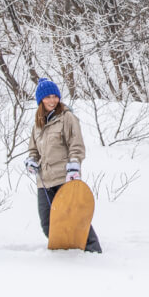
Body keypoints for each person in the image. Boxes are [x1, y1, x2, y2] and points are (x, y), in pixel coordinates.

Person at [24, 78, 102, 253]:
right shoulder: (38, 123)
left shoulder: (67, 118)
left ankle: (93, 251)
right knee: (47, 222)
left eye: (55, 96)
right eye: (48, 97)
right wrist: (31, 160)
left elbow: (76, 144)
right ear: (40, 100)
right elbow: (33, 149)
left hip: (63, 177)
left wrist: (74, 165)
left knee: (74, 217)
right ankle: (65, 252)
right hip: (44, 180)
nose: (52, 101)